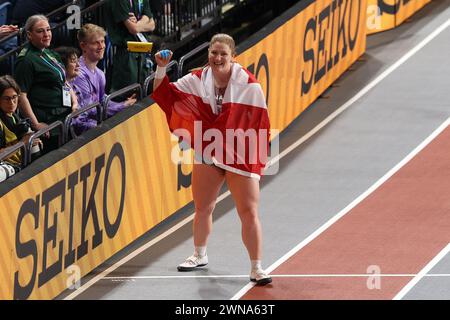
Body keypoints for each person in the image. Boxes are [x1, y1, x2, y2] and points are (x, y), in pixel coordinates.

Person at [152, 34, 272, 285]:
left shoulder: (249, 86)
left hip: (239, 153)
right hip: (208, 149)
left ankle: (257, 267)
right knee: (203, 207)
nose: (217, 58)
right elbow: (165, 96)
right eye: (213, 53)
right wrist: (161, 68)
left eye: (223, 54)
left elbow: (261, 124)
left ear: (233, 56)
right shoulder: (197, 79)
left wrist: (258, 154)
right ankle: (199, 255)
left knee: (248, 211)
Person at [55, 24, 137, 136]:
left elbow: (102, 99)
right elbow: (89, 109)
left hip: (94, 123)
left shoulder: (100, 73)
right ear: (83, 46)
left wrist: (124, 103)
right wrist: (121, 107)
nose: (101, 46)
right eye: (95, 43)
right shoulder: (78, 73)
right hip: (80, 129)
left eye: (102, 41)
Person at [14, 15, 77, 153]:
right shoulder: (26, 60)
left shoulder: (49, 53)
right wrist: (35, 124)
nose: (46, 34)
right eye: (40, 31)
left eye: (48, 30)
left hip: (64, 117)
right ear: (29, 35)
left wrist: (74, 101)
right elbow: (21, 95)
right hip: (48, 124)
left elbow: (64, 80)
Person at [104, 0, 156, 91]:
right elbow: (133, 29)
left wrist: (138, 24)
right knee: (128, 92)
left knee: (145, 89)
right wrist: (141, 24)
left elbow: (152, 25)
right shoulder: (119, 2)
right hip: (125, 52)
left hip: (143, 49)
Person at [0, 75, 41, 170]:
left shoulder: (14, 115)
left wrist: (32, 142)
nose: (12, 102)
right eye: (6, 98)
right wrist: (22, 143)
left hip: (20, 165)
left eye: (14, 97)